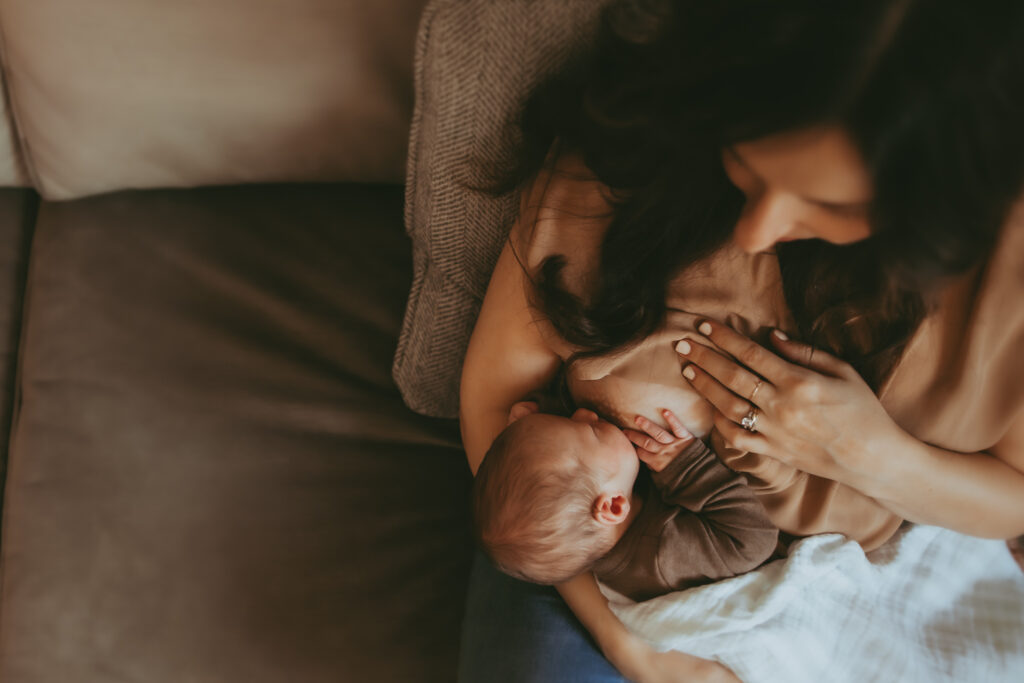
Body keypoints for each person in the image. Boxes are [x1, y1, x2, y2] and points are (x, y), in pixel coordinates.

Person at [457, 1, 1024, 681]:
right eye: (747, 162)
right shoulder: (632, 151)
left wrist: (871, 456)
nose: (758, 227)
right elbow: (496, 407)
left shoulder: (1005, 277)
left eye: (832, 205)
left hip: (847, 568)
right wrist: (631, 646)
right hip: (595, 554)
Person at [473, 401, 778, 601]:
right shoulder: (663, 556)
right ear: (612, 506)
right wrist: (687, 468)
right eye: (592, 430)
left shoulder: (590, 531)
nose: (586, 413)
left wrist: (537, 422)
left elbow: (566, 468)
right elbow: (754, 540)